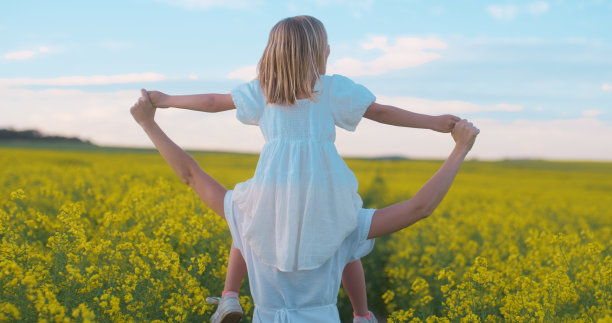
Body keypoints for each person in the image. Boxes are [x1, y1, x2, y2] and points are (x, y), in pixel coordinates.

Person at [144, 15, 460, 323]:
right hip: (322, 180)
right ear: (317, 51)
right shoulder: (331, 88)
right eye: (326, 44)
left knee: (246, 219)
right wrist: (433, 123)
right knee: (344, 236)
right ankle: (361, 314)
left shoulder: (264, 90)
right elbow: (382, 112)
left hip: (273, 182)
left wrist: (166, 99)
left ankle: (230, 294)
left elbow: (212, 102)